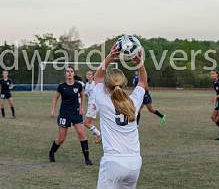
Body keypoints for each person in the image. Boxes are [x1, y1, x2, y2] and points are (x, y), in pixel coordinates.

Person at [94, 45, 148, 189]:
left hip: (113, 162)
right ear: (124, 84)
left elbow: (97, 76)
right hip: (135, 162)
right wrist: (139, 63)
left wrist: (110, 56)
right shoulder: (134, 102)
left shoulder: (104, 101)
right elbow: (143, 82)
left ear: (106, 86)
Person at [49, 66, 92, 165]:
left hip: (76, 113)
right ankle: (51, 152)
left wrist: (81, 107)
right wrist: (53, 109)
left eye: (71, 71)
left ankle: (87, 159)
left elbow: (82, 95)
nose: (69, 73)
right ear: (65, 74)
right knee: (61, 138)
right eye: (67, 71)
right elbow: (55, 98)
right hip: (64, 114)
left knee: (82, 133)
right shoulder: (61, 86)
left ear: (74, 74)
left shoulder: (78, 85)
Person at [83, 70, 101, 143]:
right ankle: (97, 137)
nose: (88, 75)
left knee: (86, 123)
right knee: (89, 122)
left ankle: (99, 134)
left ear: (93, 76)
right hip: (90, 104)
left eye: (90, 74)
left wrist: (95, 103)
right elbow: (86, 95)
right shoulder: (87, 84)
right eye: (87, 74)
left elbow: (99, 94)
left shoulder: (95, 84)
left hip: (94, 105)